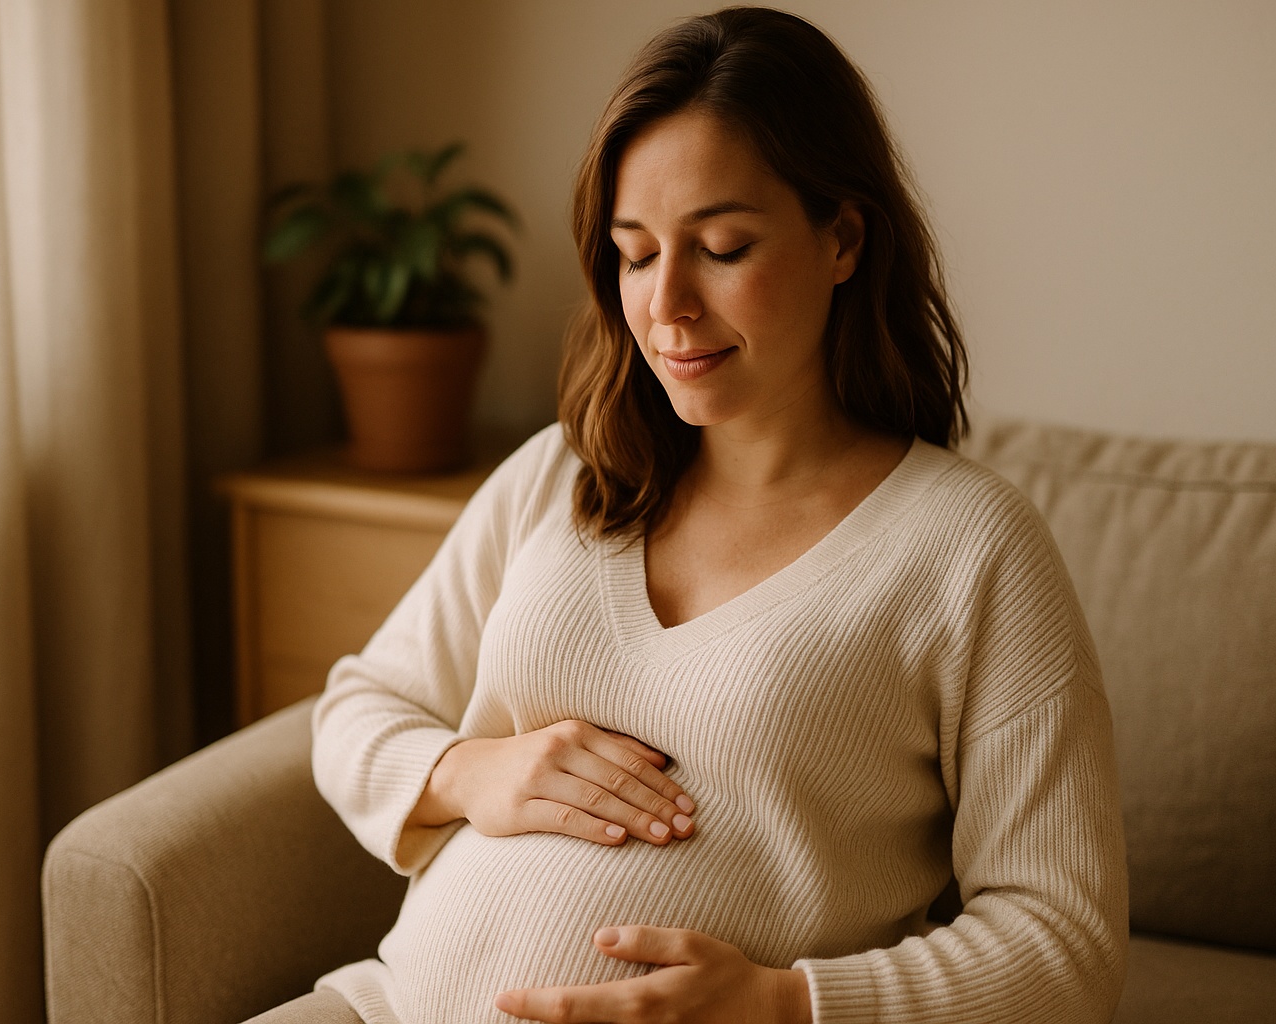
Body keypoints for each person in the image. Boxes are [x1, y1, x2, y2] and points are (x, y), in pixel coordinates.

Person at [305, 7, 1127, 1024]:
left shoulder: (969, 548)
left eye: (723, 247)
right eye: (635, 253)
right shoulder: (564, 473)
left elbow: (1066, 942)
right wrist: (471, 771)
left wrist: (789, 1005)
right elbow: (355, 709)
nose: (667, 306)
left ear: (843, 238)